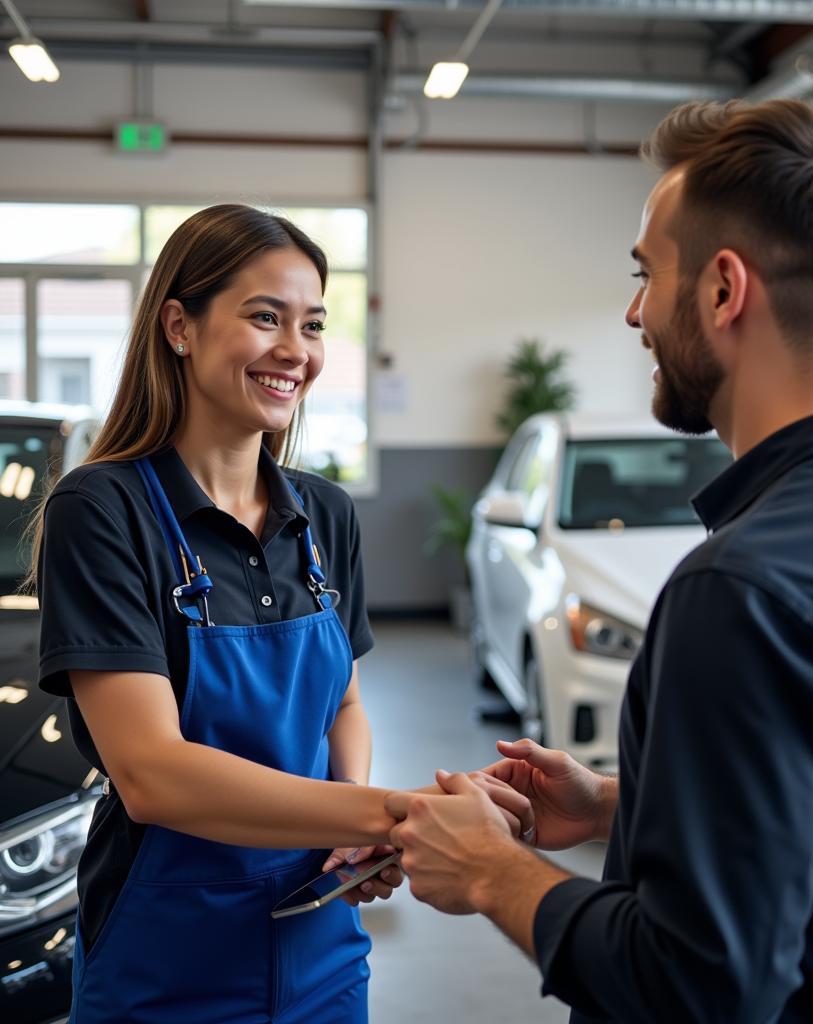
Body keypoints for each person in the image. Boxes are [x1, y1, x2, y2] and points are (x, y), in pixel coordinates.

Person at [385, 100, 813, 1022]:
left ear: (723, 290)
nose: (636, 312)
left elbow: (697, 984)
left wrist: (492, 872)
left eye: (646, 274)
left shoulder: (743, 588)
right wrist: (619, 804)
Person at [30, 204, 529, 1024]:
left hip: (319, 941)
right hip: (167, 963)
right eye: (266, 317)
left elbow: (346, 701)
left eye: (314, 325)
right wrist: (392, 812)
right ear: (179, 327)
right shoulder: (104, 509)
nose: (296, 351)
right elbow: (152, 773)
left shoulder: (324, 516)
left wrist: (352, 828)